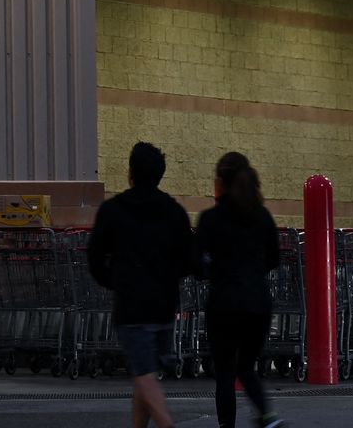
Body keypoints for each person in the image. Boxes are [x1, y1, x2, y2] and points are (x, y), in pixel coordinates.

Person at [87, 142, 198, 428]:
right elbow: (188, 259)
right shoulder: (175, 212)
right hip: (163, 306)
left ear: (130, 173)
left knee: (144, 373)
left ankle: (165, 424)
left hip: (132, 305)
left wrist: (114, 280)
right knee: (144, 372)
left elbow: (95, 256)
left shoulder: (113, 210)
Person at [197, 152, 284, 428]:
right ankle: (268, 417)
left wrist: (213, 271)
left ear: (220, 183)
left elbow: (196, 261)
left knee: (224, 372)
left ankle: (227, 426)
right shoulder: (263, 217)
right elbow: (273, 259)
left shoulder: (211, 219)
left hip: (224, 304)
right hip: (258, 304)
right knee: (246, 367)